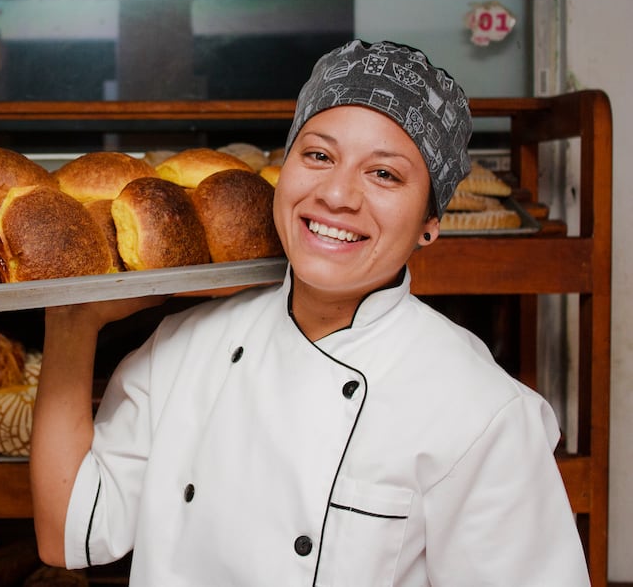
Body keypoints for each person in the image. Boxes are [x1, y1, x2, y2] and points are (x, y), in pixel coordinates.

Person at [30, 40, 590, 586]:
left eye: (385, 174)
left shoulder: (482, 412)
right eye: (318, 155)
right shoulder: (183, 349)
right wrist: (72, 321)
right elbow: (69, 533)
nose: (338, 195)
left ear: (429, 224)